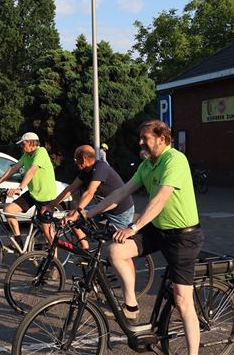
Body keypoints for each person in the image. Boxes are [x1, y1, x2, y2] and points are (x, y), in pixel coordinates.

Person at [85, 120, 204, 354]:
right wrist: (87, 213)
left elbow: (160, 199)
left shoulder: (175, 160)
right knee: (116, 250)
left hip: (183, 237)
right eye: (140, 137)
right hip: (158, 230)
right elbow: (120, 192)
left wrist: (133, 227)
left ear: (162, 139)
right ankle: (131, 306)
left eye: (145, 138)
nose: (140, 142)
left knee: (182, 301)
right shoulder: (148, 164)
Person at [43, 145, 134, 248]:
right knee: (73, 220)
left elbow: (89, 192)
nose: (75, 162)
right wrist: (51, 206)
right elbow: (70, 189)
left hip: (120, 209)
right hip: (103, 206)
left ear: (83, 159)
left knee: (118, 247)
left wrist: (78, 211)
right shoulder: (85, 171)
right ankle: (85, 251)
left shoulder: (100, 167)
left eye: (76, 159)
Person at [0, 132, 57, 250]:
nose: (21, 147)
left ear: (31, 143)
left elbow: (32, 171)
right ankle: (18, 242)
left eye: (23, 144)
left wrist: (19, 188)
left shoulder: (41, 152)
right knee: (8, 210)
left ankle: (54, 260)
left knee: (47, 232)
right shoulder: (26, 155)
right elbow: (14, 168)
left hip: (46, 198)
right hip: (33, 194)